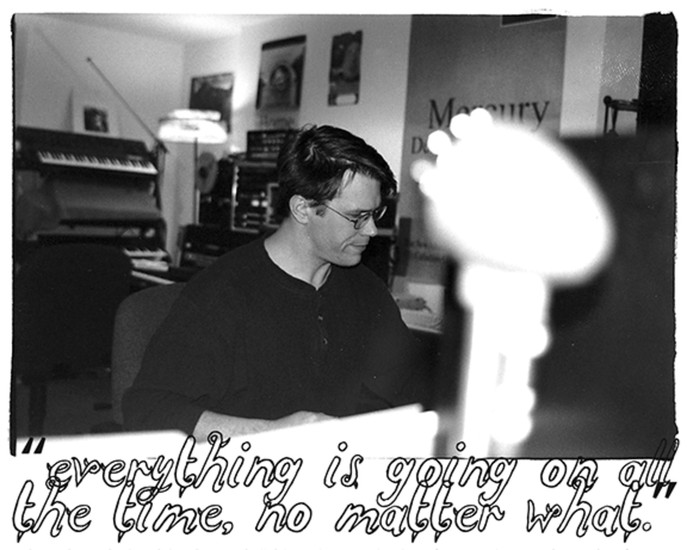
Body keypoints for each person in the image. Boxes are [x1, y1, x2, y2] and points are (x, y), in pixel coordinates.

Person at [123, 124, 427, 439]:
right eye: (357, 217)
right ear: (303, 209)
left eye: (375, 214)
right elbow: (148, 410)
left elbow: (410, 384)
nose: (372, 231)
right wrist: (273, 433)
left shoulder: (365, 288)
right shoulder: (221, 294)